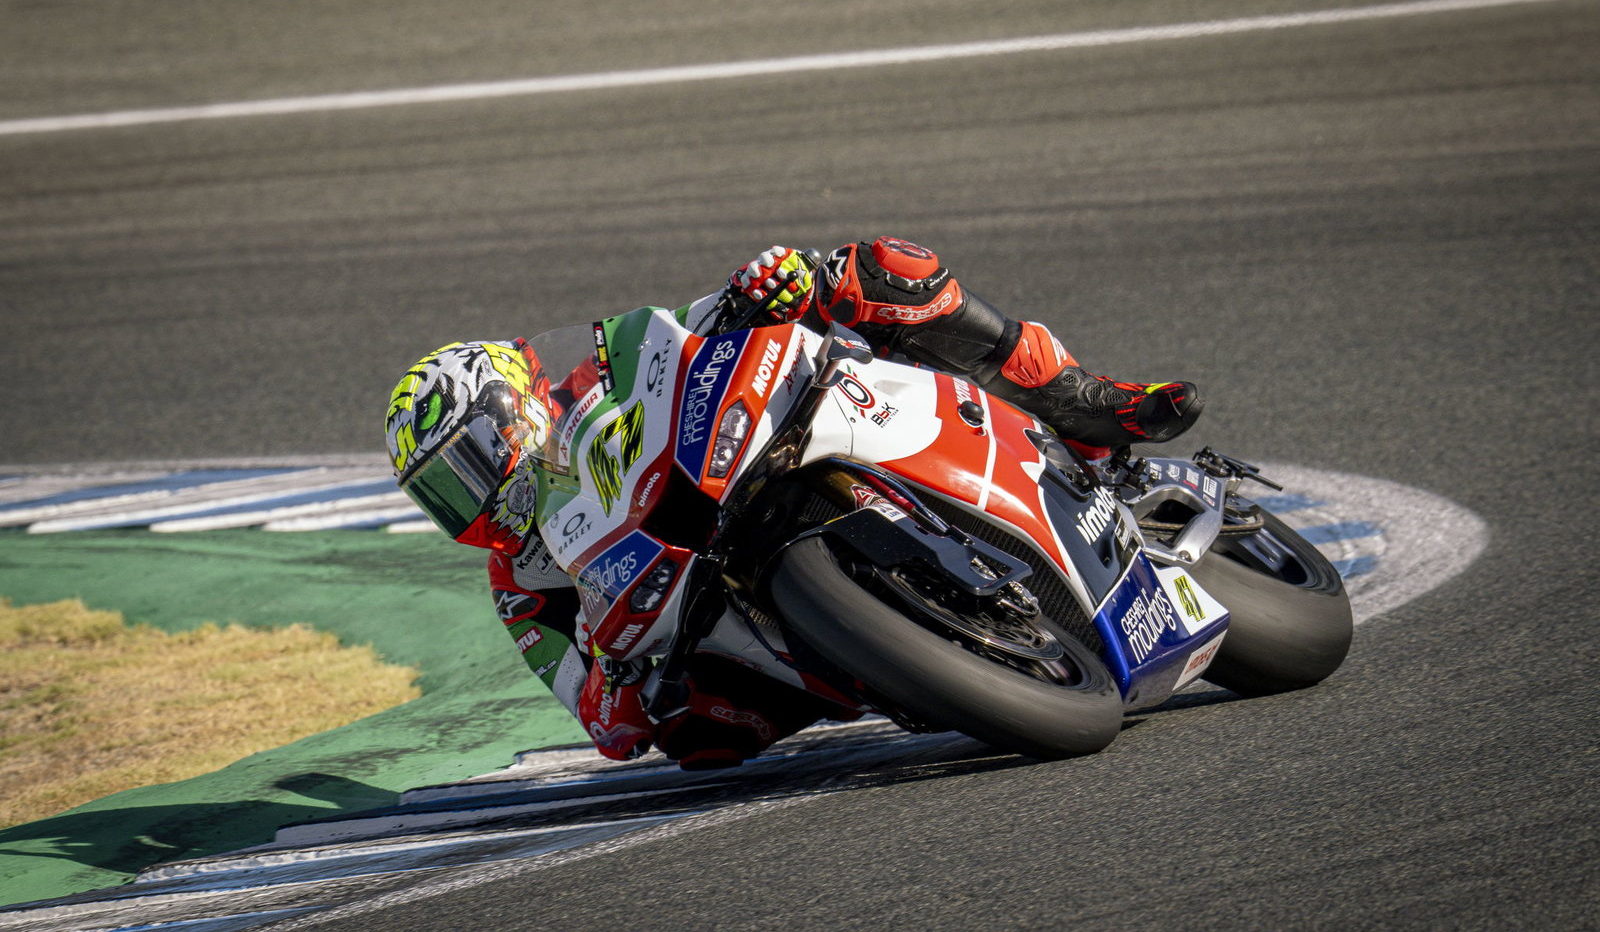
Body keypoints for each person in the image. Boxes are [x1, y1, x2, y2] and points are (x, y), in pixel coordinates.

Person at [384, 238, 1202, 769]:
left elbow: (682, 332)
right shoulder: (518, 585)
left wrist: (756, 290)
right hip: (716, 626)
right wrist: (614, 670)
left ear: (511, 404)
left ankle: (1082, 401)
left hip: (738, 455)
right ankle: (902, 649)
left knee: (873, 270)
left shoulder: (594, 379)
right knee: (695, 739)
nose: (475, 494)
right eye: (444, 493)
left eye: (470, 462)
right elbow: (600, 723)